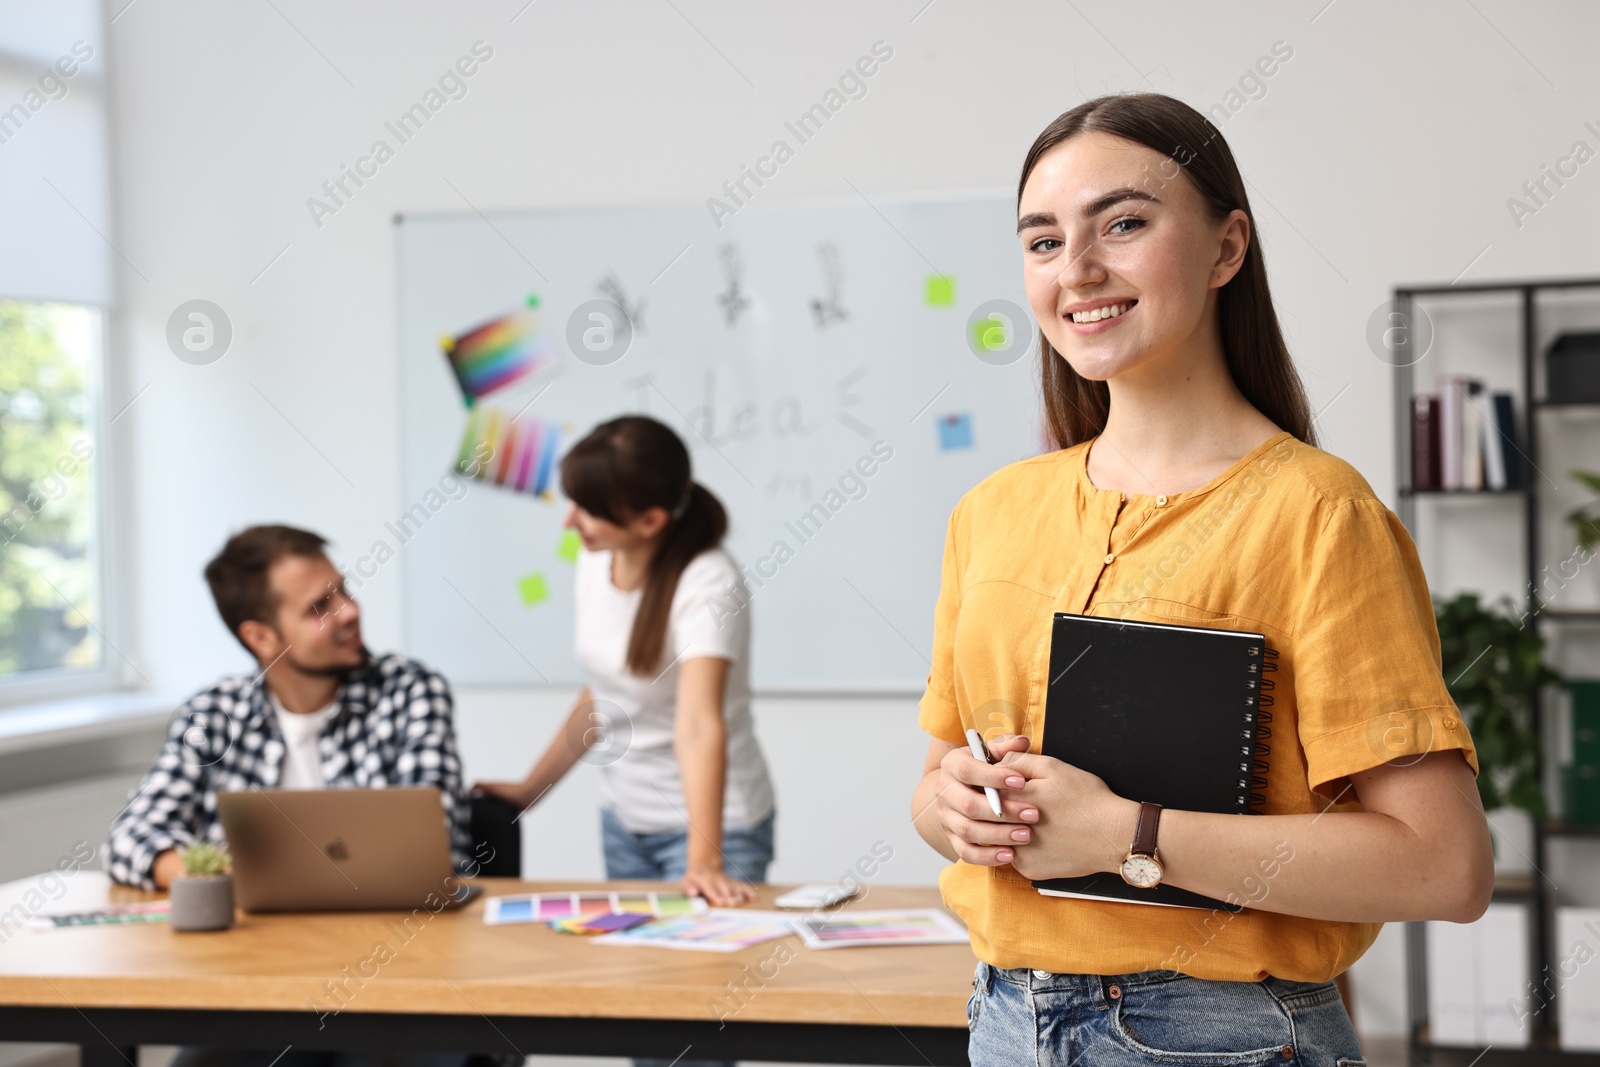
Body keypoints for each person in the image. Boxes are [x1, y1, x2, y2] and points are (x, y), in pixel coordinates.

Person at [910, 93, 1494, 1066]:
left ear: (1226, 249)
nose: (1079, 270)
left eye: (1123, 224)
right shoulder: (991, 510)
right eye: (1044, 241)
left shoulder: (1316, 514)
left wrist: (1121, 832)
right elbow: (932, 786)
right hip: (1006, 1018)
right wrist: (958, 807)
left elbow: (1444, 865)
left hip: (1220, 1034)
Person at [475, 414, 776, 909]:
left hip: (711, 830)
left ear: (650, 521)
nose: (569, 521)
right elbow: (604, 694)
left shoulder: (709, 584)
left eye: (588, 511)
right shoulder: (596, 560)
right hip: (623, 820)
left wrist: (703, 861)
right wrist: (531, 789)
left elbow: (699, 724)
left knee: (701, 982)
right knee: (639, 977)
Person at [107, 524, 472, 890]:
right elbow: (130, 838)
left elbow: (429, 846)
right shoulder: (214, 714)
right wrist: (221, 880)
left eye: (343, 590)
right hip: (257, 943)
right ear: (261, 638)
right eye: (320, 607)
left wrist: (267, 877)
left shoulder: (409, 692)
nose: (349, 612)